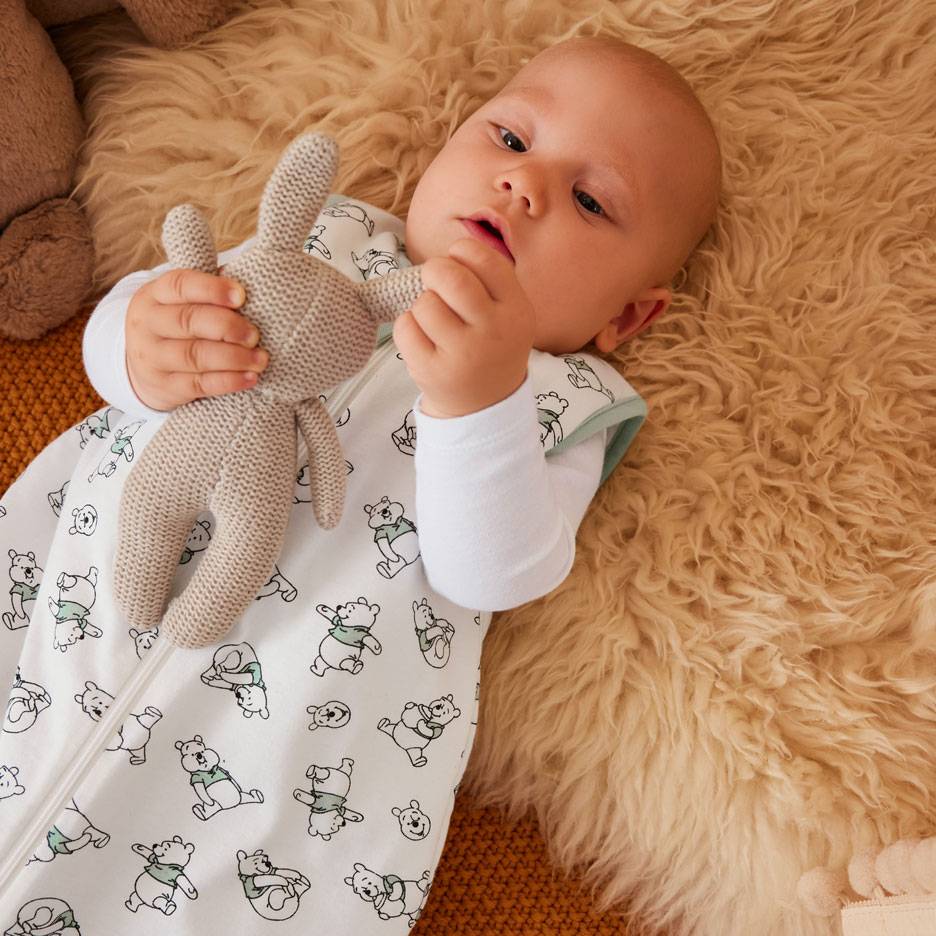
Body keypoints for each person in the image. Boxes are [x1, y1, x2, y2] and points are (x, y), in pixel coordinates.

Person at [0, 35, 720, 933]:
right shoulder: (320, 242)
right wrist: (140, 343)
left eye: (588, 199)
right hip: (60, 618)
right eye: (508, 140)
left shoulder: (554, 403)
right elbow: (156, 322)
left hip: (258, 769)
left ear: (627, 315)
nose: (525, 185)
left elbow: (494, 572)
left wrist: (475, 404)